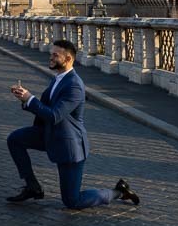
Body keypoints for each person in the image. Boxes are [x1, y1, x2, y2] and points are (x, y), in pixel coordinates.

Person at [7, 39, 140, 210]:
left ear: (68, 58)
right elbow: (47, 107)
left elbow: (55, 115)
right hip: (50, 134)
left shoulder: (75, 86)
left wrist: (30, 99)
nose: (51, 58)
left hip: (68, 145)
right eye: (51, 54)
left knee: (72, 201)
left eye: (55, 55)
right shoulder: (59, 78)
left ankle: (118, 192)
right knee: (15, 139)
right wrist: (25, 99)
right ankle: (33, 187)